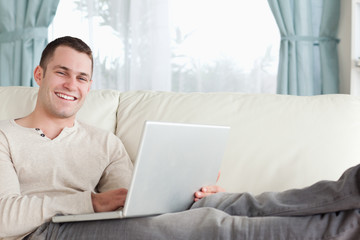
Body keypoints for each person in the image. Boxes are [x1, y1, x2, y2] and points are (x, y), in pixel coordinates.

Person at [1, 36, 360, 240]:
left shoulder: (104, 143)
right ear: (40, 74)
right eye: (62, 73)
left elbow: (137, 202)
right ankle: (347, 227)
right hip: (47, 233)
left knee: (230, 205)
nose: (71, 85)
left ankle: (351, 190)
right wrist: (92, 203)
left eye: (82, 78)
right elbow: (5, 216)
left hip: (100, 223)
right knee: (206, 226)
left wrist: (185, 191)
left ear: (89, 86)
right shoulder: (5, 135)